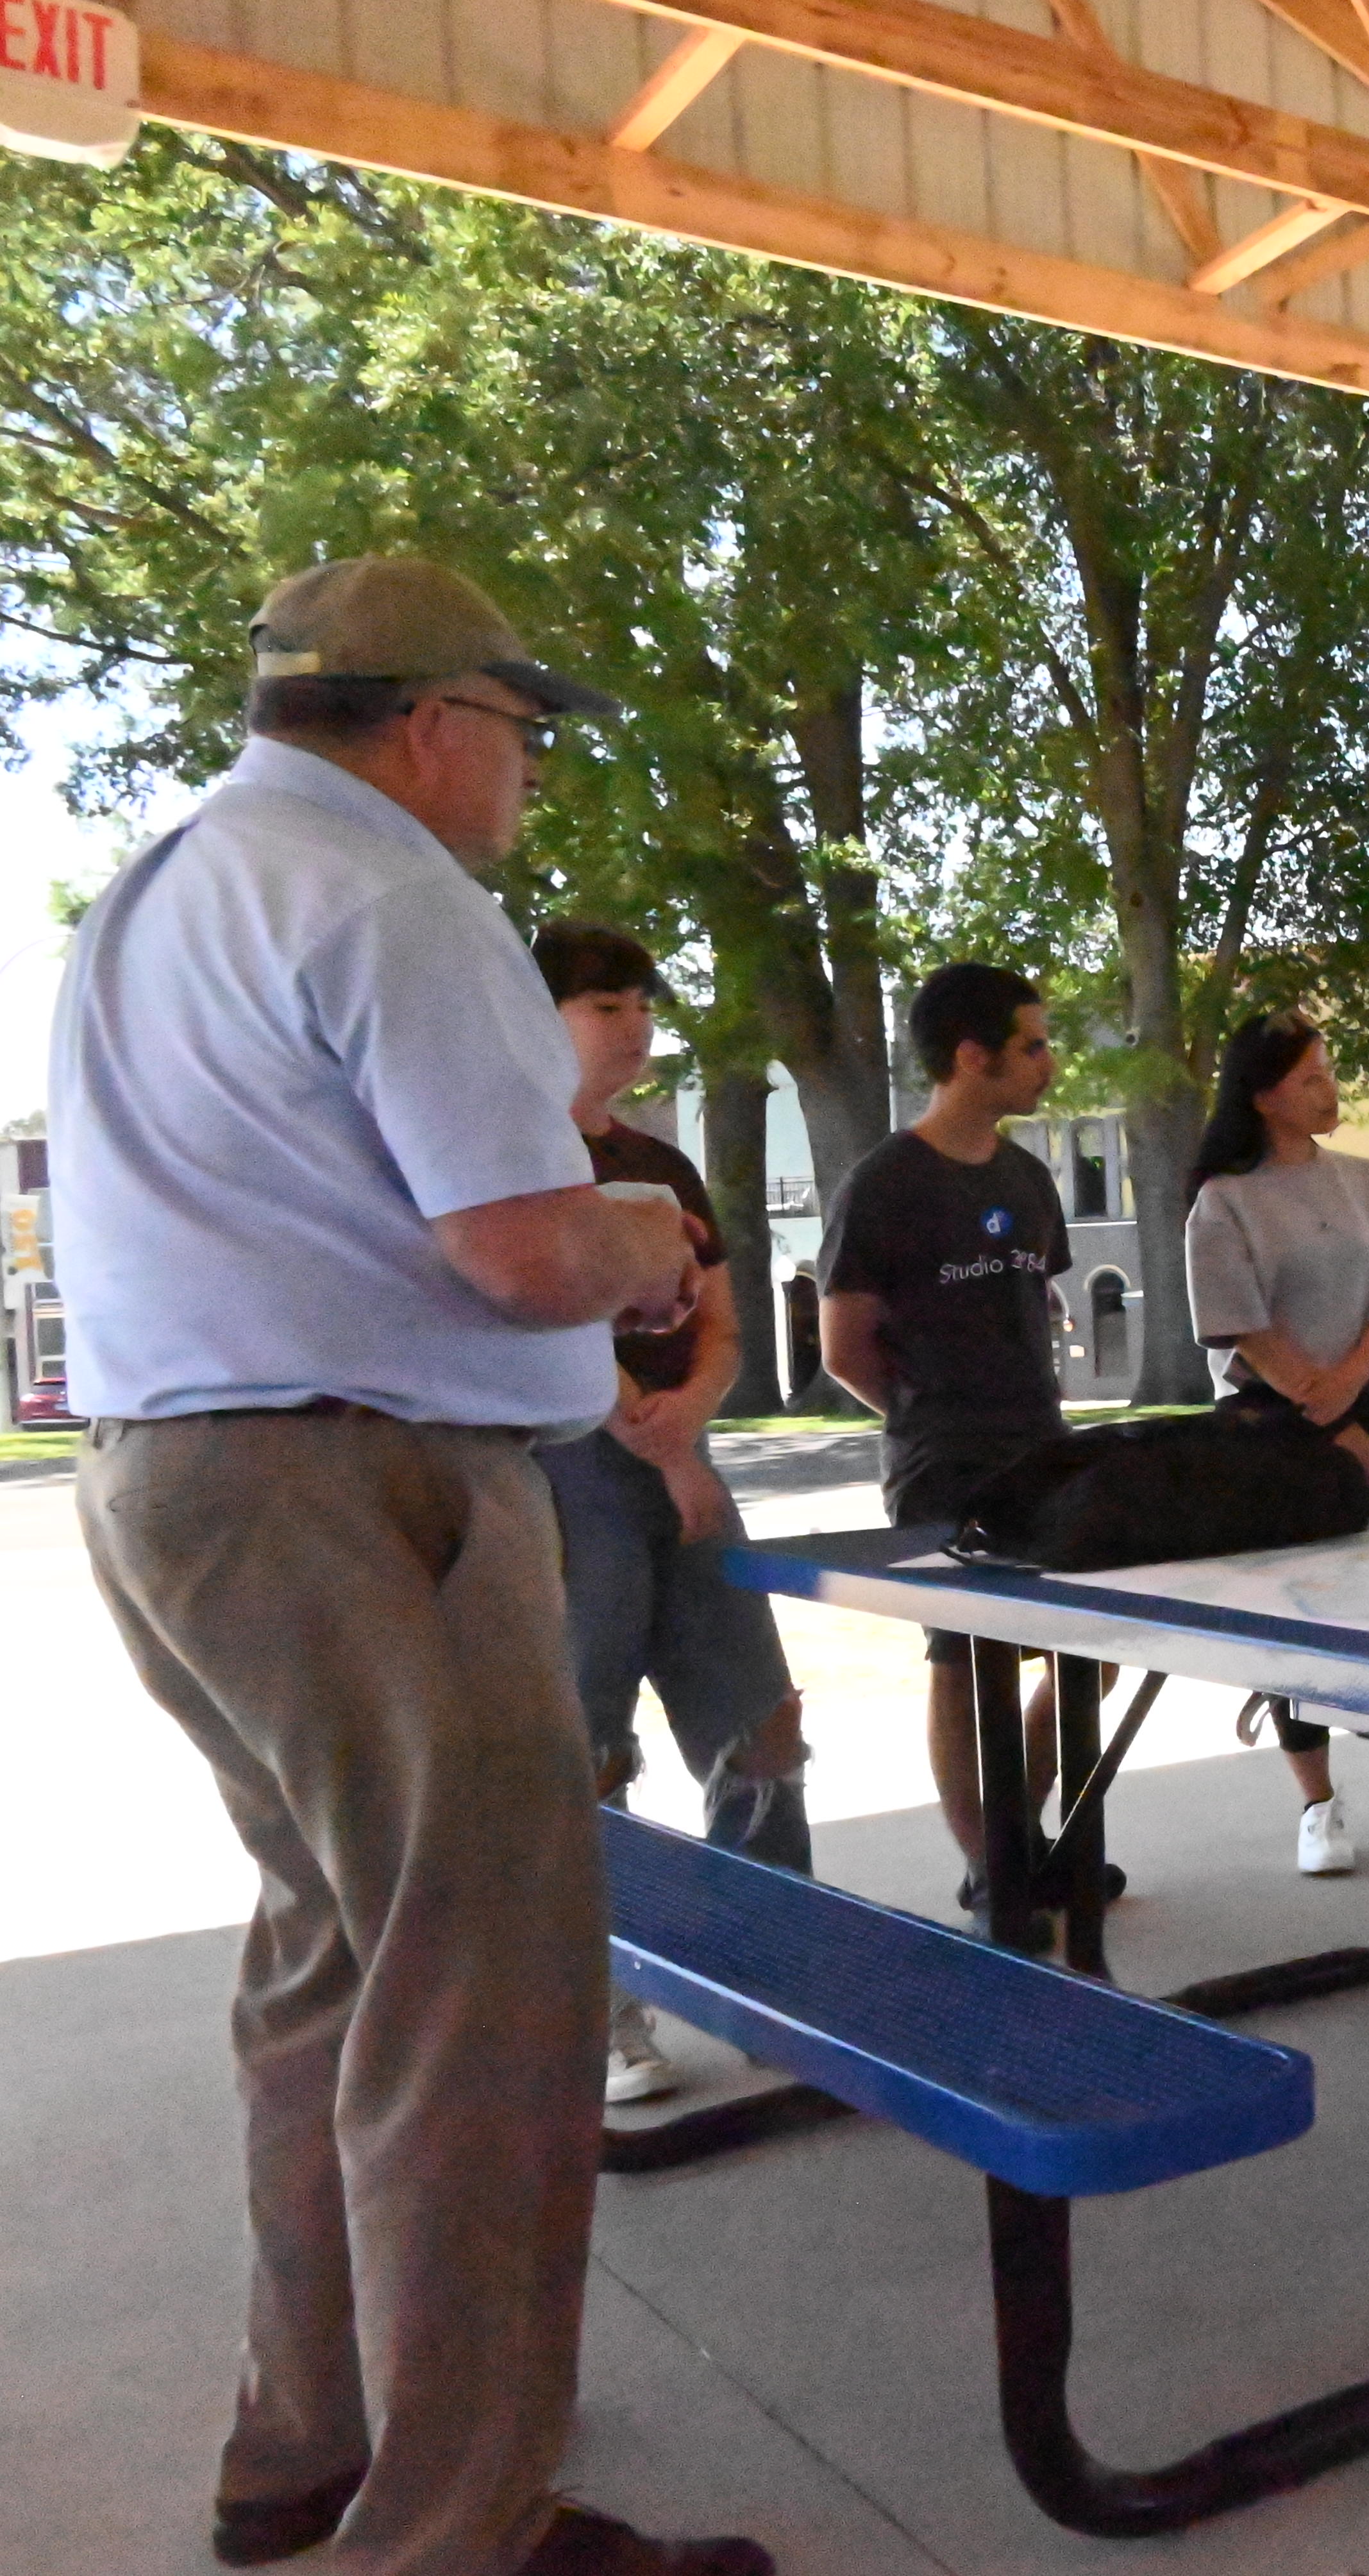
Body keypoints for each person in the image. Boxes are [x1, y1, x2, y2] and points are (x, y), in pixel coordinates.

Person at [56, 557, 768, 2573]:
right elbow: (522, 1247)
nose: (531, 773)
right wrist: (649, 1236)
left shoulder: (164, 890)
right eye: (526, 733)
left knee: (330, 1968)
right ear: (438, 724)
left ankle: (307, 2443)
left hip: (181, 1484)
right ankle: (459, 2530)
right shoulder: (398, 897)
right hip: (376, 1498)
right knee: (486, 2009)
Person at [530, 920, 811, 2110]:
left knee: (761, 1725)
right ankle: (604, 2019)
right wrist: (651, 1434)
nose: (635, 1027)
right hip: (563, 1474)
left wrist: (687, 1420)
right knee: (583, 1750)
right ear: (537, 1015)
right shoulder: (508, 1157)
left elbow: (725, 1325)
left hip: (682, 1464)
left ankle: (773, 1989)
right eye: (606, 1006)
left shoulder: (666, 1167)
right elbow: (542, 1324)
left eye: (644, 1005)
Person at [818, 961, 1086, 1917]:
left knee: (1093, 1643)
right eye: (1033, 1045)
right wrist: (926, 1414)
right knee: (964, 1655)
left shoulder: (1028, 1177)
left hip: (1044, 1451)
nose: (1050, 1062)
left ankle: (1021, 1833)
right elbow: (844, 1348)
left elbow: (1036, 1298)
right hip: (941, 1461)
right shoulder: (884, 1184)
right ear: (973, 1057)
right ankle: (990, 1866)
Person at [1186, 1010, 1369, 1875]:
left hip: (1353, 1403)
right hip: (1265, 1420)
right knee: (1291, 1613)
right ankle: (1318, 1805)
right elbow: (1239, 1324)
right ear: (1263, 1097)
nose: (1330, 1090)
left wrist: (1351, 1381)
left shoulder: (1363, 1181)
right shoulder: (1224, 1200)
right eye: (1311, 1078)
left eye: (1330, 1072)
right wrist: (1315, 1405)